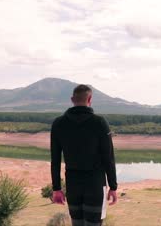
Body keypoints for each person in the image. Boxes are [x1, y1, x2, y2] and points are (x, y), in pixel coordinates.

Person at [50, 84, 118, 226]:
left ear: (72, 99)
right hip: (95, 185)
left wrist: (56, 188)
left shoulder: (58, 123)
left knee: (77, 223)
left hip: (73, 185)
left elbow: (55, 159)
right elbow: (108, 158)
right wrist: (113, 186)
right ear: (90, 99)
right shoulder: (100, 122)